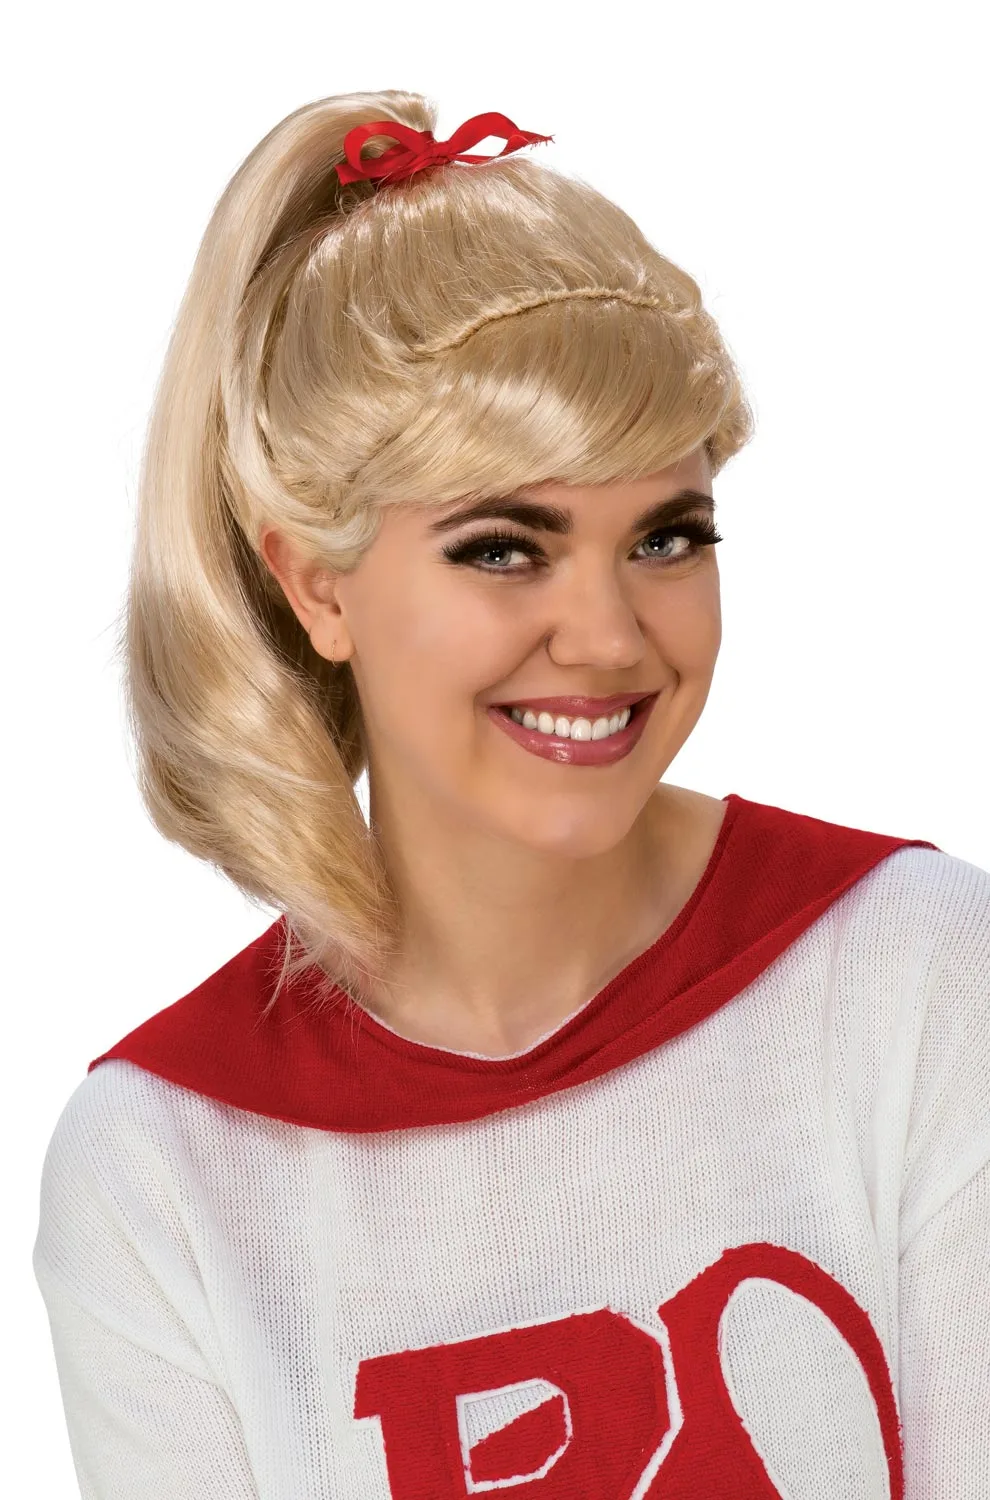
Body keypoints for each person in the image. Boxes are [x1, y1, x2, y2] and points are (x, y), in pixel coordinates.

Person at [32, 90, 989, 1498]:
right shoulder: (167, 1168)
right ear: (315, 584)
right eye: (502, 549)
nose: (607, 638)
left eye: (665, 538)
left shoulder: (914, 978)